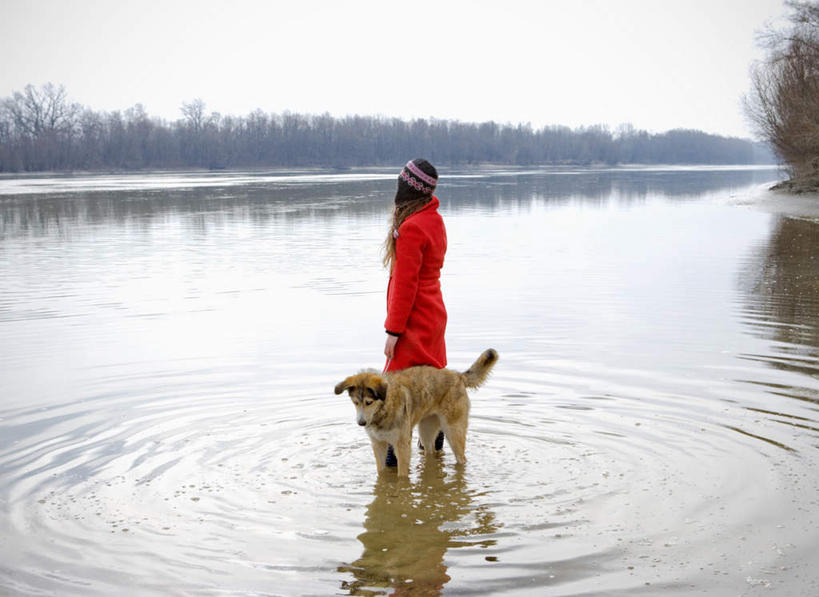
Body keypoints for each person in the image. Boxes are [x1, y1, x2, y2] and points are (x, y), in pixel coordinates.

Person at [382, 158, 447, 465]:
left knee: (397, 394)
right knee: (432, 385)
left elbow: (406, 285)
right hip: (434, 314)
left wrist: (393, 332)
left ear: (407, 189)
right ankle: (434, 459)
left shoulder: (411, 228)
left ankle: (393, 473)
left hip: (413, 320)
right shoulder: (435, 220)